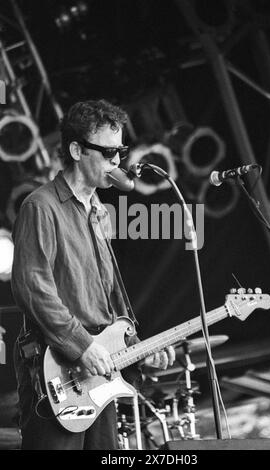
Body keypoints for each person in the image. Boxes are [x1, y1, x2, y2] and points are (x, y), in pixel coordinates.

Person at [11, 99, 175, 450]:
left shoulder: (99, 211)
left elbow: (107, 300)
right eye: (108, 151)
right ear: (76, 149)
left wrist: (136, 348)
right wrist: (81, 345)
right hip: (58, 369)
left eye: (121, 150)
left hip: (99, 370)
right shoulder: (41, 206)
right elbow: (32, 288)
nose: (118, 161)